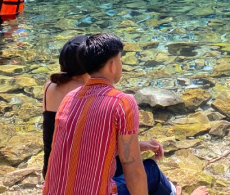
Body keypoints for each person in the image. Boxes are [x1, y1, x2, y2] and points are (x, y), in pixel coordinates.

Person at [44, 33, 208, 195]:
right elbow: (133, 170)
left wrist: (139, 146)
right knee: (150, 170)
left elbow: (86, 148)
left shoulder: (69, 98)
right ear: (112, 65)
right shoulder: (121, 102)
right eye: (120, 59)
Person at [43, 36, 90, 177]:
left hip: (50, 173)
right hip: (76, 178)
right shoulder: (86, 92)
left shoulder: (48, 87)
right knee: (149, 171)